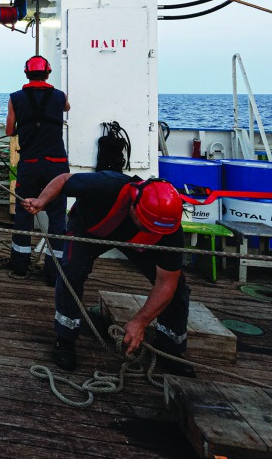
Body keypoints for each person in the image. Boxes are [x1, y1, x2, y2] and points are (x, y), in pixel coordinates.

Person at [22, 161, 193, 376]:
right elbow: (64, 180)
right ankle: (65, 338)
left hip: (136, 241)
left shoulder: (168, 230)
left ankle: (170, 348)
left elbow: (166, 282)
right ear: (134, 206)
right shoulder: (106, 185)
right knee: (71, 272)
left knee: (178, 288)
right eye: (146, 223)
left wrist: (140, 321)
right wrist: (42, 200)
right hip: (89, 228)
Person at [5, 55, 69, 282]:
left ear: (26, 73)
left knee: (24, 212)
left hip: (30, 164)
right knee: (57, 215)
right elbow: (67, 106)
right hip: (57, 166)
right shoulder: (60, 96)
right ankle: (54, 272)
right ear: (48, 73)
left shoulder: (15, 98)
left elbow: (9, 130)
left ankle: (20, 265)